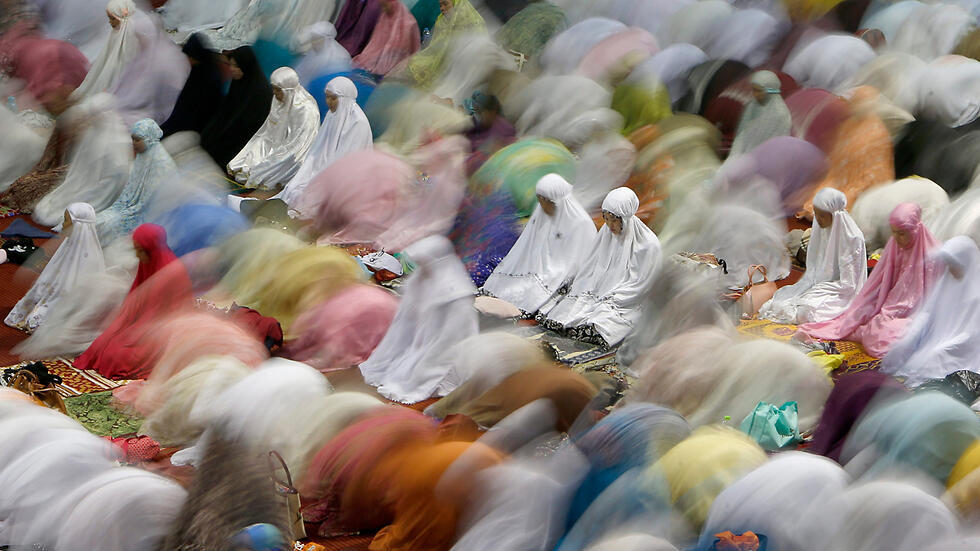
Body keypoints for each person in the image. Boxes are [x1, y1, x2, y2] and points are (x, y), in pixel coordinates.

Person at [798, 202, 940, 358]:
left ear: (915, 229)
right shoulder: (895, 246)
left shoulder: (932, 256)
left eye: (902, 233)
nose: (897, 238)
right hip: (890, 305)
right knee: (859, 316)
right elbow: (880, 281)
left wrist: (897, 311)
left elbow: (931, 301)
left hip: (917, 313)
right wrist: (874, 306)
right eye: (894, 233)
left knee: (891, 336)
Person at [359, 235, 478, 404]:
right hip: (421, 339)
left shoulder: (455, 293)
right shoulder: (421, 280)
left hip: (445, 348)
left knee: (422, 374)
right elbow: (404, 322)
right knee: (401, 366)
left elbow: (453, 336)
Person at [538, 187, 662, 347]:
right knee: (568, 309)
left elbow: (640, 285)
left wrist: (611, 297)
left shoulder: (648, 245)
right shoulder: (605, 235)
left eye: (614, 220)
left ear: (625, 217)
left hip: (624, 299)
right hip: (598, 292)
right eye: (606, 218)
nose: (609, 225)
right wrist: (587, 288)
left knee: (605, 319)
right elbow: (590, 269)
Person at [74, 224, 193, 379]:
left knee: (116, 356)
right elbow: (136, 302)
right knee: (100, 345)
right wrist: (123, 326)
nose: (137, 255)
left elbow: (172, 315)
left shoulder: (173, 272)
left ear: (152, 250)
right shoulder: (147, 264)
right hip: (141, 325)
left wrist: (136, 333)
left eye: (140, 250)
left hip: (162, 332)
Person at [482, 174, 597, 315]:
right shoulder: (542, 213)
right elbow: (527, 245)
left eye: (547, 201)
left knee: (533, 291)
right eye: (540, 199)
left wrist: (548, 273)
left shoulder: (581, 224)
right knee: (508, 283)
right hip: (538, 267)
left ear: (558, 201)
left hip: (561, 273)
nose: (542, 205)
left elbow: (576, 263)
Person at [760, 188, 867, 324]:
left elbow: (849, 285)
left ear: (834, 215)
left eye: (822, 215)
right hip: (819, 284)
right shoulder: (821, 229)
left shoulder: (853, 239)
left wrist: (819, 290)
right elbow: (816, 269)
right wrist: (813, 287)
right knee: (780, 302)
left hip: (840, 291)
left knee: (805, 312)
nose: (818, 220)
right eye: (816, 214)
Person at [882, 236, 980, 386]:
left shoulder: (976, 294)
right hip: (935, 338)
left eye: (954, 264)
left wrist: (949, 345)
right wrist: (914, 332)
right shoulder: (947, 282)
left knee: (935, 358)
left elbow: (972, 336)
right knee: (902, 346)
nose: (950, 269)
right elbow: (928, 312)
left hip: (962, 347)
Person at [275, 76, 373, 209]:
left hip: (345, 177)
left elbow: (346, 163)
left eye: (333, 98)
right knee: (294, 189)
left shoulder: (358, 123)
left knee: (313, 198)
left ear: (345, 98)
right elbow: (318, 150)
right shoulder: (331, 116)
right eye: (327, 97)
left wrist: (321, 179)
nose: (329, 102)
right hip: (324, 169)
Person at [4, 203, 104, 332]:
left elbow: (77, 291)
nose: (63, 224)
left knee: (38, 319)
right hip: (56, 291)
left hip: (70, 300)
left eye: (67, 220)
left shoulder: (89, 256)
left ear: (78, 226)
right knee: (28, 307)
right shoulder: (69, 243)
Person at [228, 67, 320, 191]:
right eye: (274, 89)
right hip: (275, 143)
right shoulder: (279, 98)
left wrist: (274, 157)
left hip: (293, 152)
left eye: (278, 90)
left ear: (288, 90)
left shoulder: (306, 110)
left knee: (266, 172)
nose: (275, 93)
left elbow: (298, 145)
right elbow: (269, 131)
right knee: (249, 157)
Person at [95, 118, 177, 244]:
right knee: (100, 219)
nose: (133, 143)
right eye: (132, 139)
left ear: (149, 138)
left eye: (137, 139)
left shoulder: (162, 164)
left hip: (150, 214)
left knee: (109, 224)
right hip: (130, 207)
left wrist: (129, 211)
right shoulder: (144, 156)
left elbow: (152, 200)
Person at [200, 46, 273, 169]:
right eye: (231, 65)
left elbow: (253, 127)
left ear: (246, 66)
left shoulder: (260, 93)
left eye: (236, 66)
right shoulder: (239, 82)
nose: (232, 70)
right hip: (233, 134)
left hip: (247, 142)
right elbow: (227, 112)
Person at [402, 0, 485, 88]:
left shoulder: (473, 23)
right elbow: (434, 47)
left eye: (445, 4)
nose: (442, 8)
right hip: (444, 60)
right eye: (440, 5)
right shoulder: (442, 21)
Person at [160, 33, 225, 137]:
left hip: (198, 122)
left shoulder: (211, 77)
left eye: (191, 57)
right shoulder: (198, 69)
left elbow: (204, 107)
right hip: (186, 115)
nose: (188, 60)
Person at [728, 70, 792, 157]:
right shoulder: (753, 105)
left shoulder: (780, 114)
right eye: (753, 90)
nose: (755, 94)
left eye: (758, 91)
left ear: (769, 91)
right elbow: (742, 135)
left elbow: (774, 148)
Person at [352, 0, 420, 76]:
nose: (383, 9)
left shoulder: (408, 23)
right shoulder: (385, 17)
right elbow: (375, 42)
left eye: (385, 6)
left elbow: (404, 50)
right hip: (382, 56)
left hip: (399, 60)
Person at [293, 22, 352, 88]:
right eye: (313, 38)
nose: (314, 42)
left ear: (328, 39)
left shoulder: (339, 57)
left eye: (318, 39)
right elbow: (300, 72)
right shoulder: (313, 53)